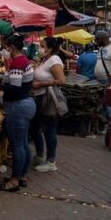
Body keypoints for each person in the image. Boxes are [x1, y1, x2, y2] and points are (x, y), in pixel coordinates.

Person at [0, 35, 35, 192]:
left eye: (6, 47)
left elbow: (15, 88)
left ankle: (14, 180)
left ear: (12, 47)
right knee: (23, 142)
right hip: (26, 104)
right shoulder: (25, 61)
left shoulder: (17, 63)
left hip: (18, 106)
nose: (5, 50)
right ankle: (22, 175)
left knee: (17, 145)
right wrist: (3, 79)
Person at [31, 37, 66, 173]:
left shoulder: (54, 60)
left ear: (50, 48)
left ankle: (51, 161)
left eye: (42, 45)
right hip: (39, 97)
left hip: (48, 98)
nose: (40, 48)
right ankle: (40, 155)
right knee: (35, 127)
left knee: (49, 130)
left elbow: (61, 80)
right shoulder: (46, 59)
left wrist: (40, 84)